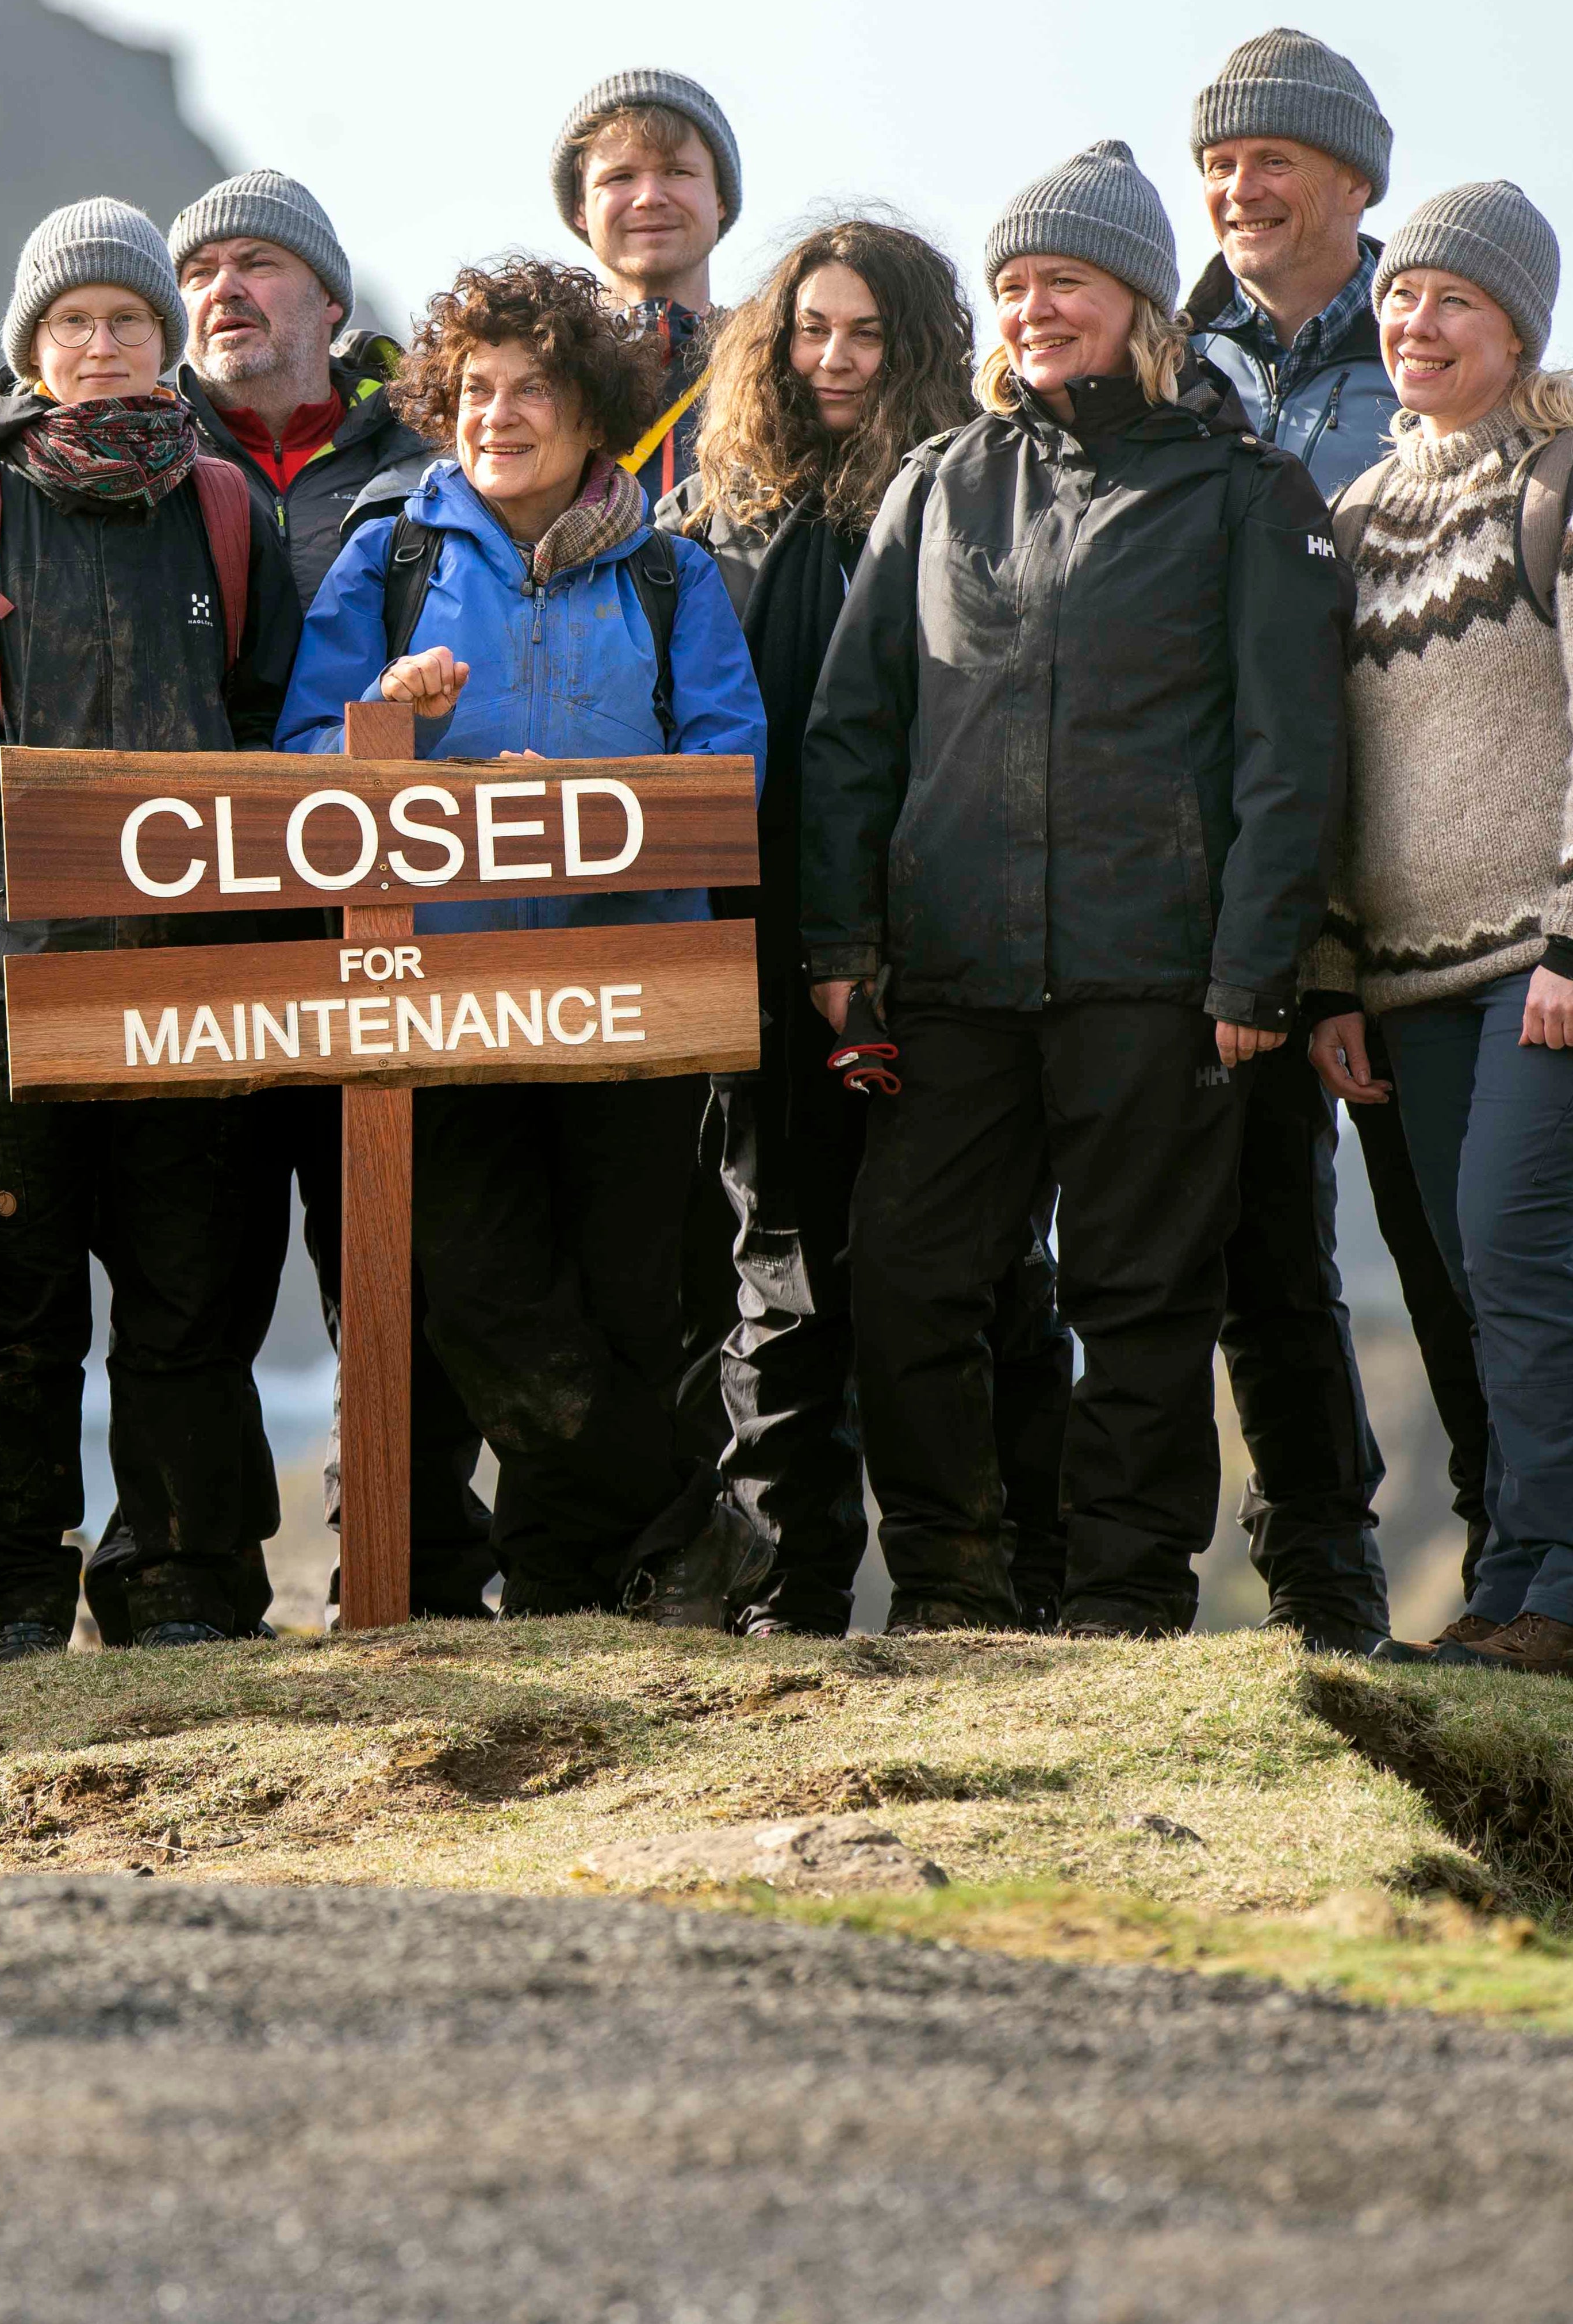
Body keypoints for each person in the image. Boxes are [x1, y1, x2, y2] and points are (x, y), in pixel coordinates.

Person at [799, 141, 1349, 1635]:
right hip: (954, 974)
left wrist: (1252, 972)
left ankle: (1121, 1602)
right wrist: (840, 939)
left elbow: (1288, 758)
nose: (1033, 308)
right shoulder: (938, 485)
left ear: (1138, 300)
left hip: (1152, 979)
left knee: (1141, 1302)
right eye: (1013, 285)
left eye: (1066, 280)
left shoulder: (1241, 493)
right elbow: (854, 727)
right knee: (911, 1287)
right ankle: (948, 1585)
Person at [0, 198, 305, 1659]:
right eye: (73, 322)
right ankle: (18, 1595)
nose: (101, 344)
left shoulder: (226, 514)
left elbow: (280, 724)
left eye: (129, 320)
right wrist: (15, 783)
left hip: (189, 982)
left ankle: (174, 1588)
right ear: (33, 344)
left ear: (165, 345)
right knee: (18, 1316)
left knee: (182, 1303)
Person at [279, 256, 769, 1615]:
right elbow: (301, 759)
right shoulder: (394, 557)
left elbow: (731, 762)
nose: (498, 414)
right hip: (431, 996)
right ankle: (684, 1519)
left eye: (532, 389)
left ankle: (570, 1597)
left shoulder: (675, 576)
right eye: (476, 389)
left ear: (590, 409)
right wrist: (390, 712)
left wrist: (597, 818)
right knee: (477, 1287)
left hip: (633, 1005)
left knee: (624, 1301)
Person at [1303, 185, 1573, 1682]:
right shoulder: (1351, 521)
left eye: (1452, 304)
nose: (1416, 323)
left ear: (1514, 328)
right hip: (1411, 977)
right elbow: (1340, 777)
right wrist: (1333, 973)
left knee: (1517, 1240)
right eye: (1402, 298)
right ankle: (1517, 1577)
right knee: (1466, 1270)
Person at [651, 223, 1076, 1634]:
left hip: (945, 949)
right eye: (808, 332)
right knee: (780, 1268)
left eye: (865, 334)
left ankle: (1001, 1583)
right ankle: (790, 1586)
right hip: (757, 950)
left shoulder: (973, 499)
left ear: (917, 346)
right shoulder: (709, 529)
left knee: (976, 1273)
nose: (832, 361)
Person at [167, 169, 462, 1605]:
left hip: (389, 929)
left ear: (331, 303)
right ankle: (198, 1595)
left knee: (391, 1276)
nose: (226, 288)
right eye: (203, 267)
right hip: (195, 935)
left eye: (261, 265)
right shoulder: (129, 450)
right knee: (199, 1290)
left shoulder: (428, 450)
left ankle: (399, 1580)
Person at [1181, 28, 1425, 1649]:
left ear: (1353, 181)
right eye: (1216, 163)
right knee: (1258, 1238)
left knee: (1458, 1249)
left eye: (1271, 158)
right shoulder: (1159, 359)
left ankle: (1534, 1588)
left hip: (1420, 871)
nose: (1236, 186)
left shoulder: (1439, 344)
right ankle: (1322, 1581)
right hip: (1230, 872)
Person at [553, 70, 743, 501]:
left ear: (720, 199)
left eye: (677, 171)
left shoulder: (778, 362)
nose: (649, 197)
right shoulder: (537, 368)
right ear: (580, 207)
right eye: (619, 177)